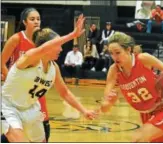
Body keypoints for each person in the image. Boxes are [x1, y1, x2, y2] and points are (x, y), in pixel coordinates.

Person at [1, 15, 98, 142]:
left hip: (31, 108)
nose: (61, 48)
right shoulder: (29, 58)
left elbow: (65, 93)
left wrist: (83, 110)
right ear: (48, 46)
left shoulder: (54, 68)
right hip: (8, 106)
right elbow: (41, 49)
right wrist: (71, 35)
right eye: (58, 44)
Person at [97, 32, 163, 142]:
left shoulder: (143, 59)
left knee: (138, 139)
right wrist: (109, 102)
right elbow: (104, 108)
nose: (114, 57)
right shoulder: (114, 71)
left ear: (128, 50)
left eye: (118, 53)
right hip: (146, 114)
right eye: (111, 53)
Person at [1, 7, 50, 142]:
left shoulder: (42, 42)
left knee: (43, 125)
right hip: (16, 90)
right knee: (14, 130)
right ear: (24, 22)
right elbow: (1, 62)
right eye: (32, 19)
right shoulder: (16, 39)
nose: (36, 22)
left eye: (38, 19)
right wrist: (9, 79)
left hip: (34, 88)